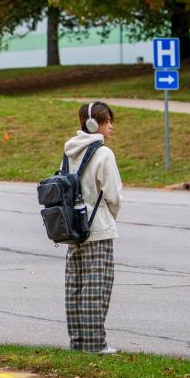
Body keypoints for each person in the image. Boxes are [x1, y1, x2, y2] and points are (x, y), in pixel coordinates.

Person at [63, 101, 123, 354]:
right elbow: (113, 195)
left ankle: (78, 342)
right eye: (106, 121)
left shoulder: (69, 151)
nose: (110, 126)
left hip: (73, 228)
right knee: (97, 287)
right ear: (92, 124)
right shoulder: (103, 154)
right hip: (98, 228)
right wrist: (112, 216)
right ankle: (96, 345)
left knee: (75, 287)